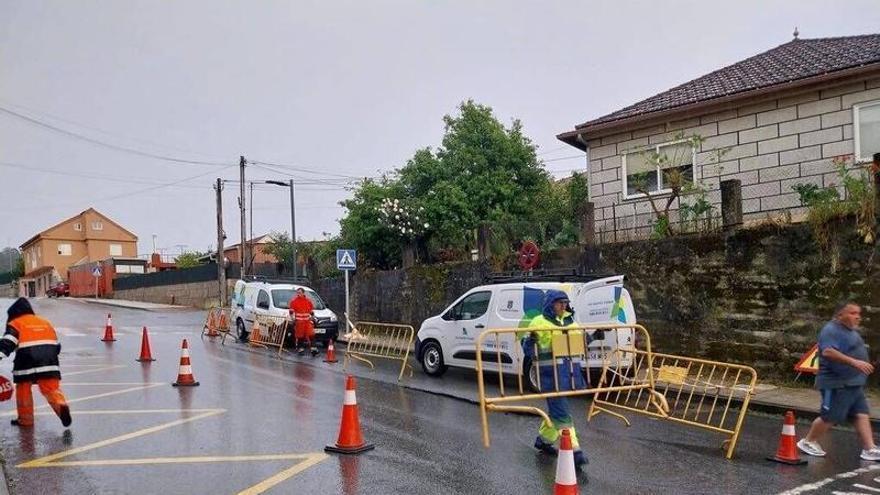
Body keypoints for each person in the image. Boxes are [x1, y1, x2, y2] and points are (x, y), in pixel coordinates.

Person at [522, 289, 603, 470]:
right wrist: (530, 342)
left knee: (555, 411)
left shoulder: (570, 322)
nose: (563, 306)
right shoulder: (539, 322)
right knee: (562, 413)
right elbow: (527, 350)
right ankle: (575, 451)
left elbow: (576, 344)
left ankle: (543, 441)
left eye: (565, 303)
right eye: (560, 303)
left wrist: (594, 337)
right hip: (549, 375)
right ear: (551, 304)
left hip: (567, 375)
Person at [797, 301, 880, 461]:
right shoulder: (831, 330)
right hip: (836, 383)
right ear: (840, 315)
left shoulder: (850, 331)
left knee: (861, 413)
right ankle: (808, 441)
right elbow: (828, 351)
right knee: (831, 416)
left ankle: (869, 448)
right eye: (852, 313)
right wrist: (855, 362)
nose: (857, 317)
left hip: (853, 383)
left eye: (858, 313)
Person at [0, 298, 71, 428]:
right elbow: (56, 345)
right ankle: (61, 406)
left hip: (26, 361)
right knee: (51, 388)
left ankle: (26, 420)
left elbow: (8, 343)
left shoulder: (16, 323)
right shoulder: (45, 322)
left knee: (23, 389)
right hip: (49, 361)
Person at [289, 288, 318, 356]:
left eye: (300, 292)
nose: (298, 294)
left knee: (311, 334)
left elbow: (311, 311)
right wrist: (293, 319)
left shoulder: (308, 301)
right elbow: (291, 311)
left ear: (303, 293)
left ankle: (313, 349)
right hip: (299, 322)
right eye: (297, 293)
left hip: (307, 322)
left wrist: (313, 317)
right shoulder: (294, 301)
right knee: (300, 336)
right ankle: (300, 349)